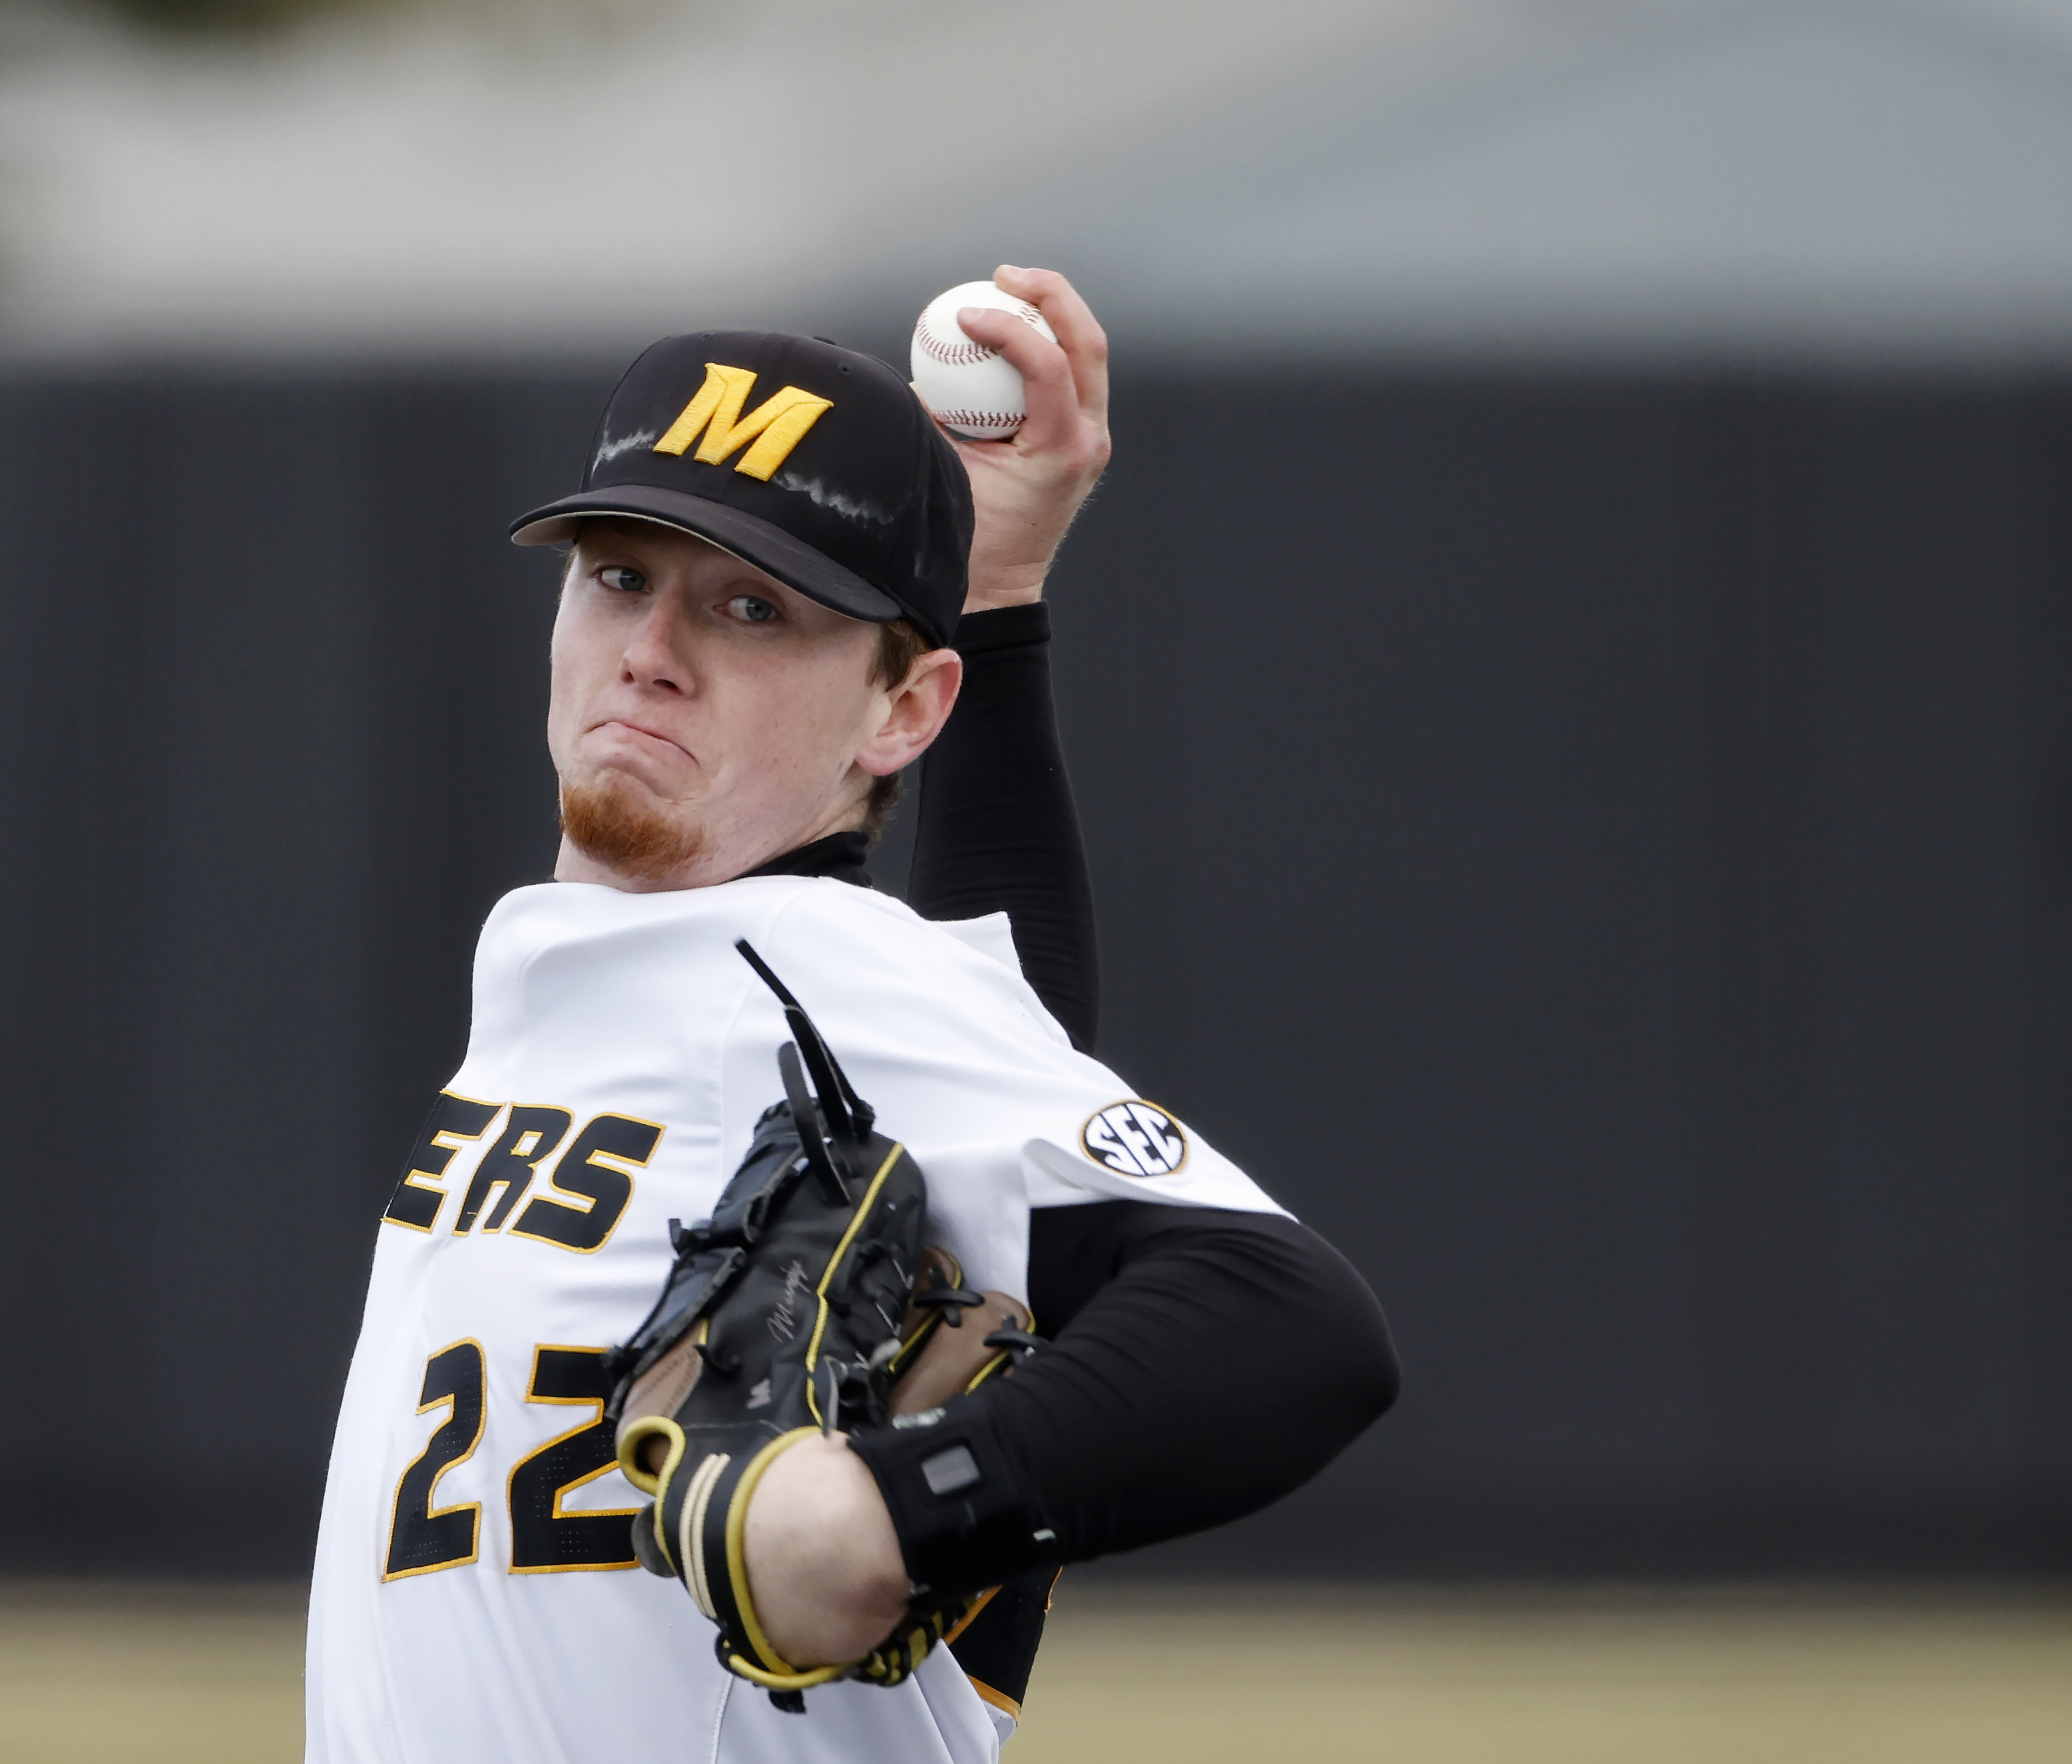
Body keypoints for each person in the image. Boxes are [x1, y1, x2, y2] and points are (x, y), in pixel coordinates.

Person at [304, 269, 1398, 1763]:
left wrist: (901, 1503)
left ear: (904, 710)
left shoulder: (805, 969)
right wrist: (998, 598)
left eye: (753, 606)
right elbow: (1009, 1033)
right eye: (620, 573)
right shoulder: (660, 976)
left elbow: (1294, 1325)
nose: (653, 646)